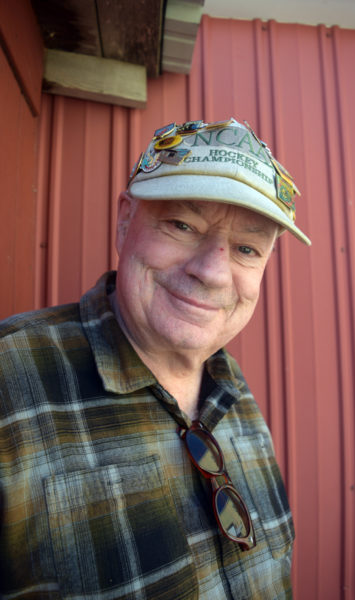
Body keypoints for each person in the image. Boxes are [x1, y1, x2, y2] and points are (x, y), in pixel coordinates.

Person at [0, 118, 311, 599]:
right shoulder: (9, 379)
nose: (211, 271)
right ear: (125, 221)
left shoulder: (234, 392)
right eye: (182, 225)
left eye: (247, 248)